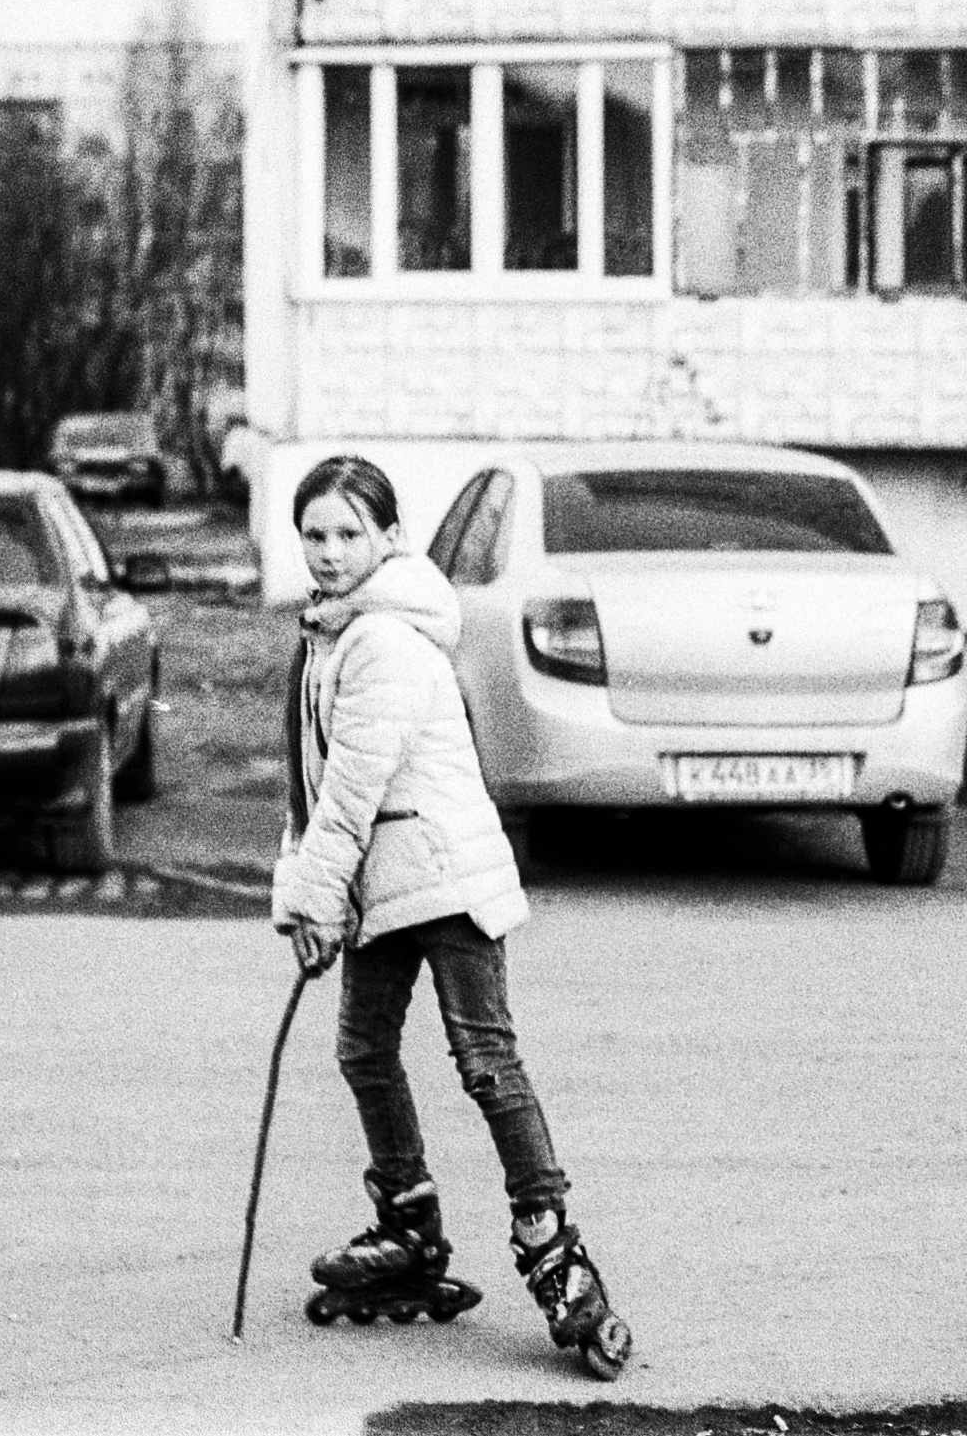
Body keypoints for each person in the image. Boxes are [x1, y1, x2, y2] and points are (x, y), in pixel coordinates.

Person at [272, 454, 633, 1379]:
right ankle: (408, 1218)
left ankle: (548, 1230)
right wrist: (304, 893)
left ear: (389, 538)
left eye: (348, 533)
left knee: (484, 1059)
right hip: (383, 884)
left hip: (442, 876)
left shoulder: (385, 638)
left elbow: (353, 788)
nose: (328, 551)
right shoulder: (329, 634)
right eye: (314, 533)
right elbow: (309, 792)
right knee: (363, 1049)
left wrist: (315, 901)